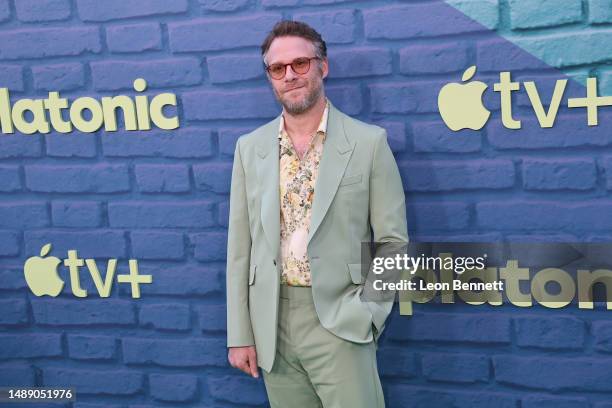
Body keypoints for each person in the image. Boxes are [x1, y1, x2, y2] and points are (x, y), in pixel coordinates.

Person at [225, 19, 408, 408]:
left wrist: (369, 313)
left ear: (323, 67)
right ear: (270, 78)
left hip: (342, 319)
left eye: (300, 64)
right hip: (271, 325)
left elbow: (393, 242)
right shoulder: (249, 148)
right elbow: (240, 249)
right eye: (278, 68)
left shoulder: (368, 143)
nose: (289, 75)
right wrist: (240, 333)